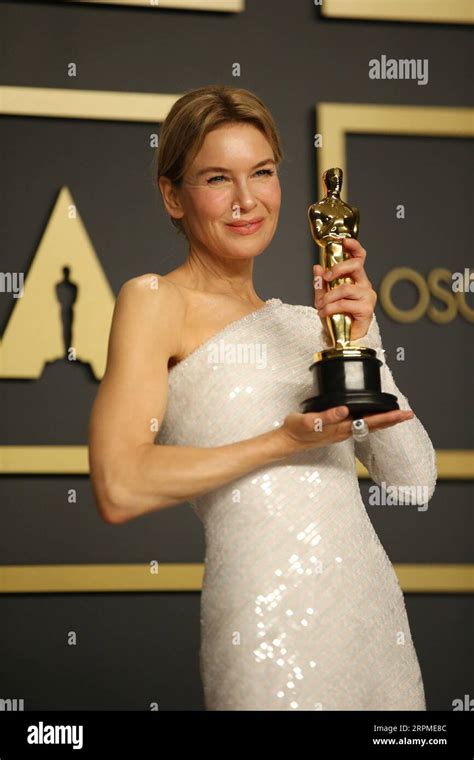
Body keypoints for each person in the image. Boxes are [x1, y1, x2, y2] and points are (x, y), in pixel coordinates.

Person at [88, 85, 437, 711]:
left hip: (369, 619)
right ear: (173, 195)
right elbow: (120, 484)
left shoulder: (310, 325)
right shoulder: (155, 302)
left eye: (263, 173)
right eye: (218, 178)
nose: (247, 201)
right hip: (263, 622)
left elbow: (413, 482)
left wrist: (365, 340)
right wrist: (281, 442)